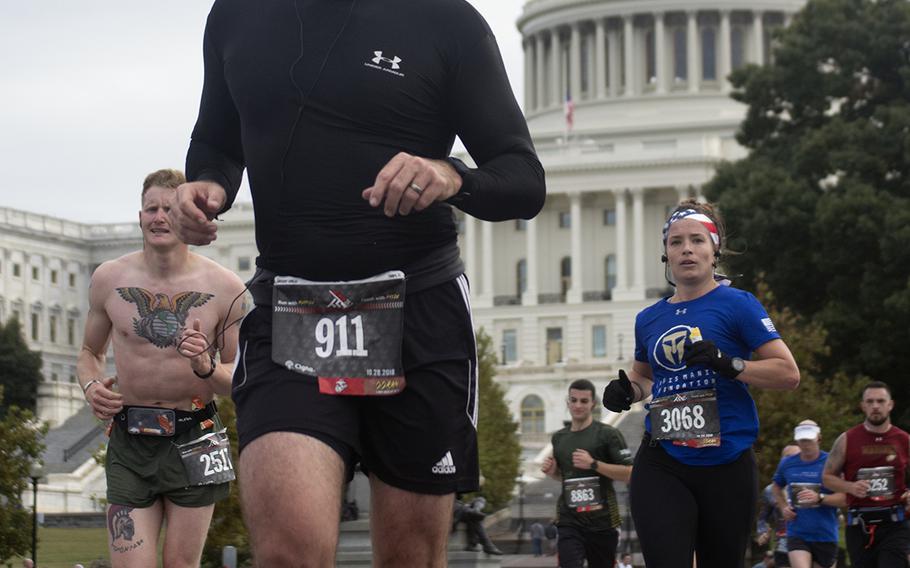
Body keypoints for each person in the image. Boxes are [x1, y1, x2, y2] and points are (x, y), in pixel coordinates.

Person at [170, 2, 545, 565]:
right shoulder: (236, 14)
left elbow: (523, 177)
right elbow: (218, 139)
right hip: (292, 307)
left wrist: (450, 174)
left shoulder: (446, 20)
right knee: (289, 550)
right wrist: (206, 185)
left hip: (416, 307)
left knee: (410, 557)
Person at [602, 199, 800, 568]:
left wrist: (730, 364)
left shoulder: (738, 304)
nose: (687, 249)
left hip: (726, 462)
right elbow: (644, 376)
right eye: (676, 242)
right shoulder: (649, 317)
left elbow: (787, 374)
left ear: (714, 251)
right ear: (666, 254)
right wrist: (626, 390)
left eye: (697, 240)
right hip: (663, 461)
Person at [78, 169, 246, 568]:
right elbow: (89, 351)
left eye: (169, 209)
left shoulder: (225, 288)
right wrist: (90, 387)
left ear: (185, 217)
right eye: (150, 208)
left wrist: (205, 366)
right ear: (140, 217)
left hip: (196, 437)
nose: (159, 217)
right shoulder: (109, 279)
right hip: (129, 439)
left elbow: (236, 381)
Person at [542, 379, 633, 568]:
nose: (578, 405)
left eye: (584, 401)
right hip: (569, 520)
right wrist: (553, 473)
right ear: (567, 403)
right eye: (573, 400)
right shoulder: (559, 438)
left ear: (593, 403)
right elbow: (566, 476)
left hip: (603, 521)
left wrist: (594, 464)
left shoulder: (608, 434)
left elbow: (630, 473)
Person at [822, 381, 910, 568]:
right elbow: (827, 477)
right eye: (870, 402)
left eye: (880, 401)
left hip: (894, 523)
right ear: (863, 406)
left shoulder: (904, 439)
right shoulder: (847, 439)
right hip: (859, 525)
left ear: (890, 404)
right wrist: (850, 487)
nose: (875, 406)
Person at [772, 421, 845, 568]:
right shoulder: (787, 463)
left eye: (809, 439)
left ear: (819, 438)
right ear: (796, 439)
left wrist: (820, 498)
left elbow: (845, 498)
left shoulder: (831, 462)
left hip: (825, 534)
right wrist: (783, 507)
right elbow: (776, 487)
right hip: (797, 532)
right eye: (802, 439)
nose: (805, 444)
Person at [758, 445, 802, 568]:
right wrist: (763, 531)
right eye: (788, 457)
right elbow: (762, 518)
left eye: (797, 457)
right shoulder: (770, 490)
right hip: (783, 546)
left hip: (809, 542)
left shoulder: (810, 482)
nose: (793, 460)